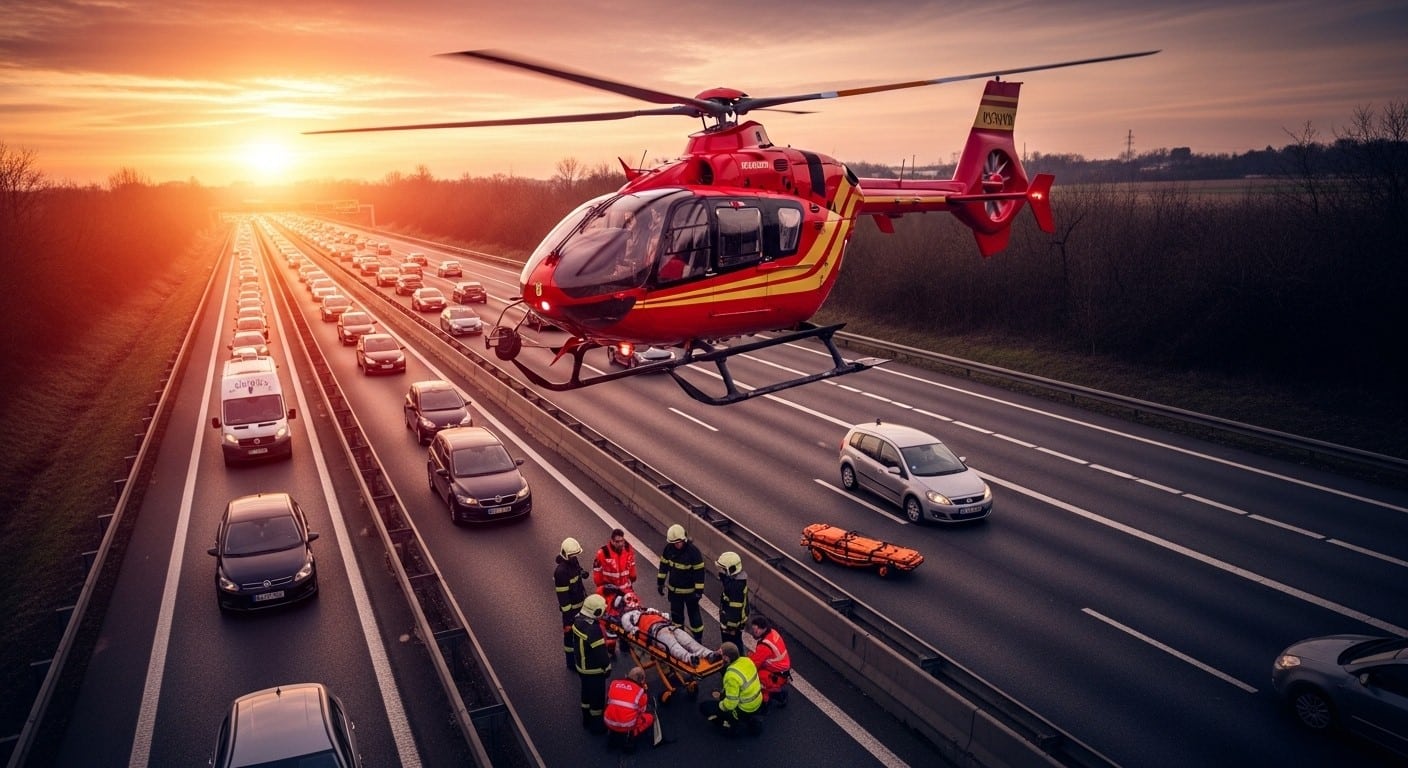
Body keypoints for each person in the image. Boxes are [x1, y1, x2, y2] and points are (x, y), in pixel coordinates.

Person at [618, 595, 720, 666]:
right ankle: (690, 658)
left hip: (667, 626)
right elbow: (630, 628)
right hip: (656, 632)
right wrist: (636, 631)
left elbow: (664, 615)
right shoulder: (627, 617)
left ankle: (709, 654)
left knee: (689, 641)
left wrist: (658, 614)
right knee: (673, 646)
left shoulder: (646, 610)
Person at [698, 642, 763, 735]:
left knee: (704, 707)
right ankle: (751, 721)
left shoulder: (731, 675)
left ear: (726, 658)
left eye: (721, 655)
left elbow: (731, 704)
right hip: (757, 700)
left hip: (744, 708)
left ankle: (731, 726)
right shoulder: (747, 660)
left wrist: (720, 707)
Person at [657, 524, 706, 641]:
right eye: (674, 543)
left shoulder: (693, 552)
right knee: (677, 618)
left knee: (694, 617)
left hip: (690, 593)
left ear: (684, 539)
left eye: (679, 542)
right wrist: (660, 583)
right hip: (674, 592)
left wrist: (699, 592)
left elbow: (699, 573)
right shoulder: (668, 549)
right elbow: (663, 566)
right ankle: (680, 638)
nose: (677, 545)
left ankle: (698, 639)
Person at [573, 593, 613, 732]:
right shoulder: (593, 630)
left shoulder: (578, 620)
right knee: (597, 698)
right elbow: (601, 653)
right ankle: (597, 726)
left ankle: (586, 719)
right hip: (593, 670)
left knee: (586, 693)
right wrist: (607, 667)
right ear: (596, 611)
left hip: (581, 667)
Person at [554, 537, 589, 671]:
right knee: (569, 638)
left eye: (576, 555)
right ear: (565, 554)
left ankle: (581, 657)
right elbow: (563, 599)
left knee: (582, 634)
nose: (575, 557)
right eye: (572, 555)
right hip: (570, 611)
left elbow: (577, 569)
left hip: (580, 605)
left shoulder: (573, 560)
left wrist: (582, 573)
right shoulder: (560, 572)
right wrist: (568, 620)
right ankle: (571, 662)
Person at [603, 666, 657, 752]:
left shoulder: (614, 683)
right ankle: (631, 735)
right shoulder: (640, 693)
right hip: (627, 726)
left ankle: (613, 734)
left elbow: (608, 701)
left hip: (608, 722)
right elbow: (642, 711)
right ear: (642, 681)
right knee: (650, 717)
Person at [747, 615, 792, 708]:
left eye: (755, 631)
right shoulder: (772, 632)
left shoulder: (764, 646)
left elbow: (753, 665)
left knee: (758, 680)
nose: (753, 633)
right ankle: (777, 694)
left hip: (776, 674)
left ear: (763, 629)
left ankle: (765, 703)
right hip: (780, 670)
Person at [715, 551, 749, 650]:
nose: (720, 571)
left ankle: (732, 663)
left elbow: (734, 611)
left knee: (732, 647)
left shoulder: (735, 588)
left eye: (722, 569)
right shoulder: (736, 582)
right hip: (734, 624)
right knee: (736, 644)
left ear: (731, 570)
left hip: (731, 626)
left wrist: (730, 628)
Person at [592, 528, 638, 592]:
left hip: (626, 588)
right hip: (610, 590)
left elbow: (632, 564)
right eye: (617, 542)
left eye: (622, 541)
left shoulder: (628, 549)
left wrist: (633, 577)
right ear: (612, 541)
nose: (620, 544)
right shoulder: (603, 553)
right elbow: (597, 571)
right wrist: (601, 587)